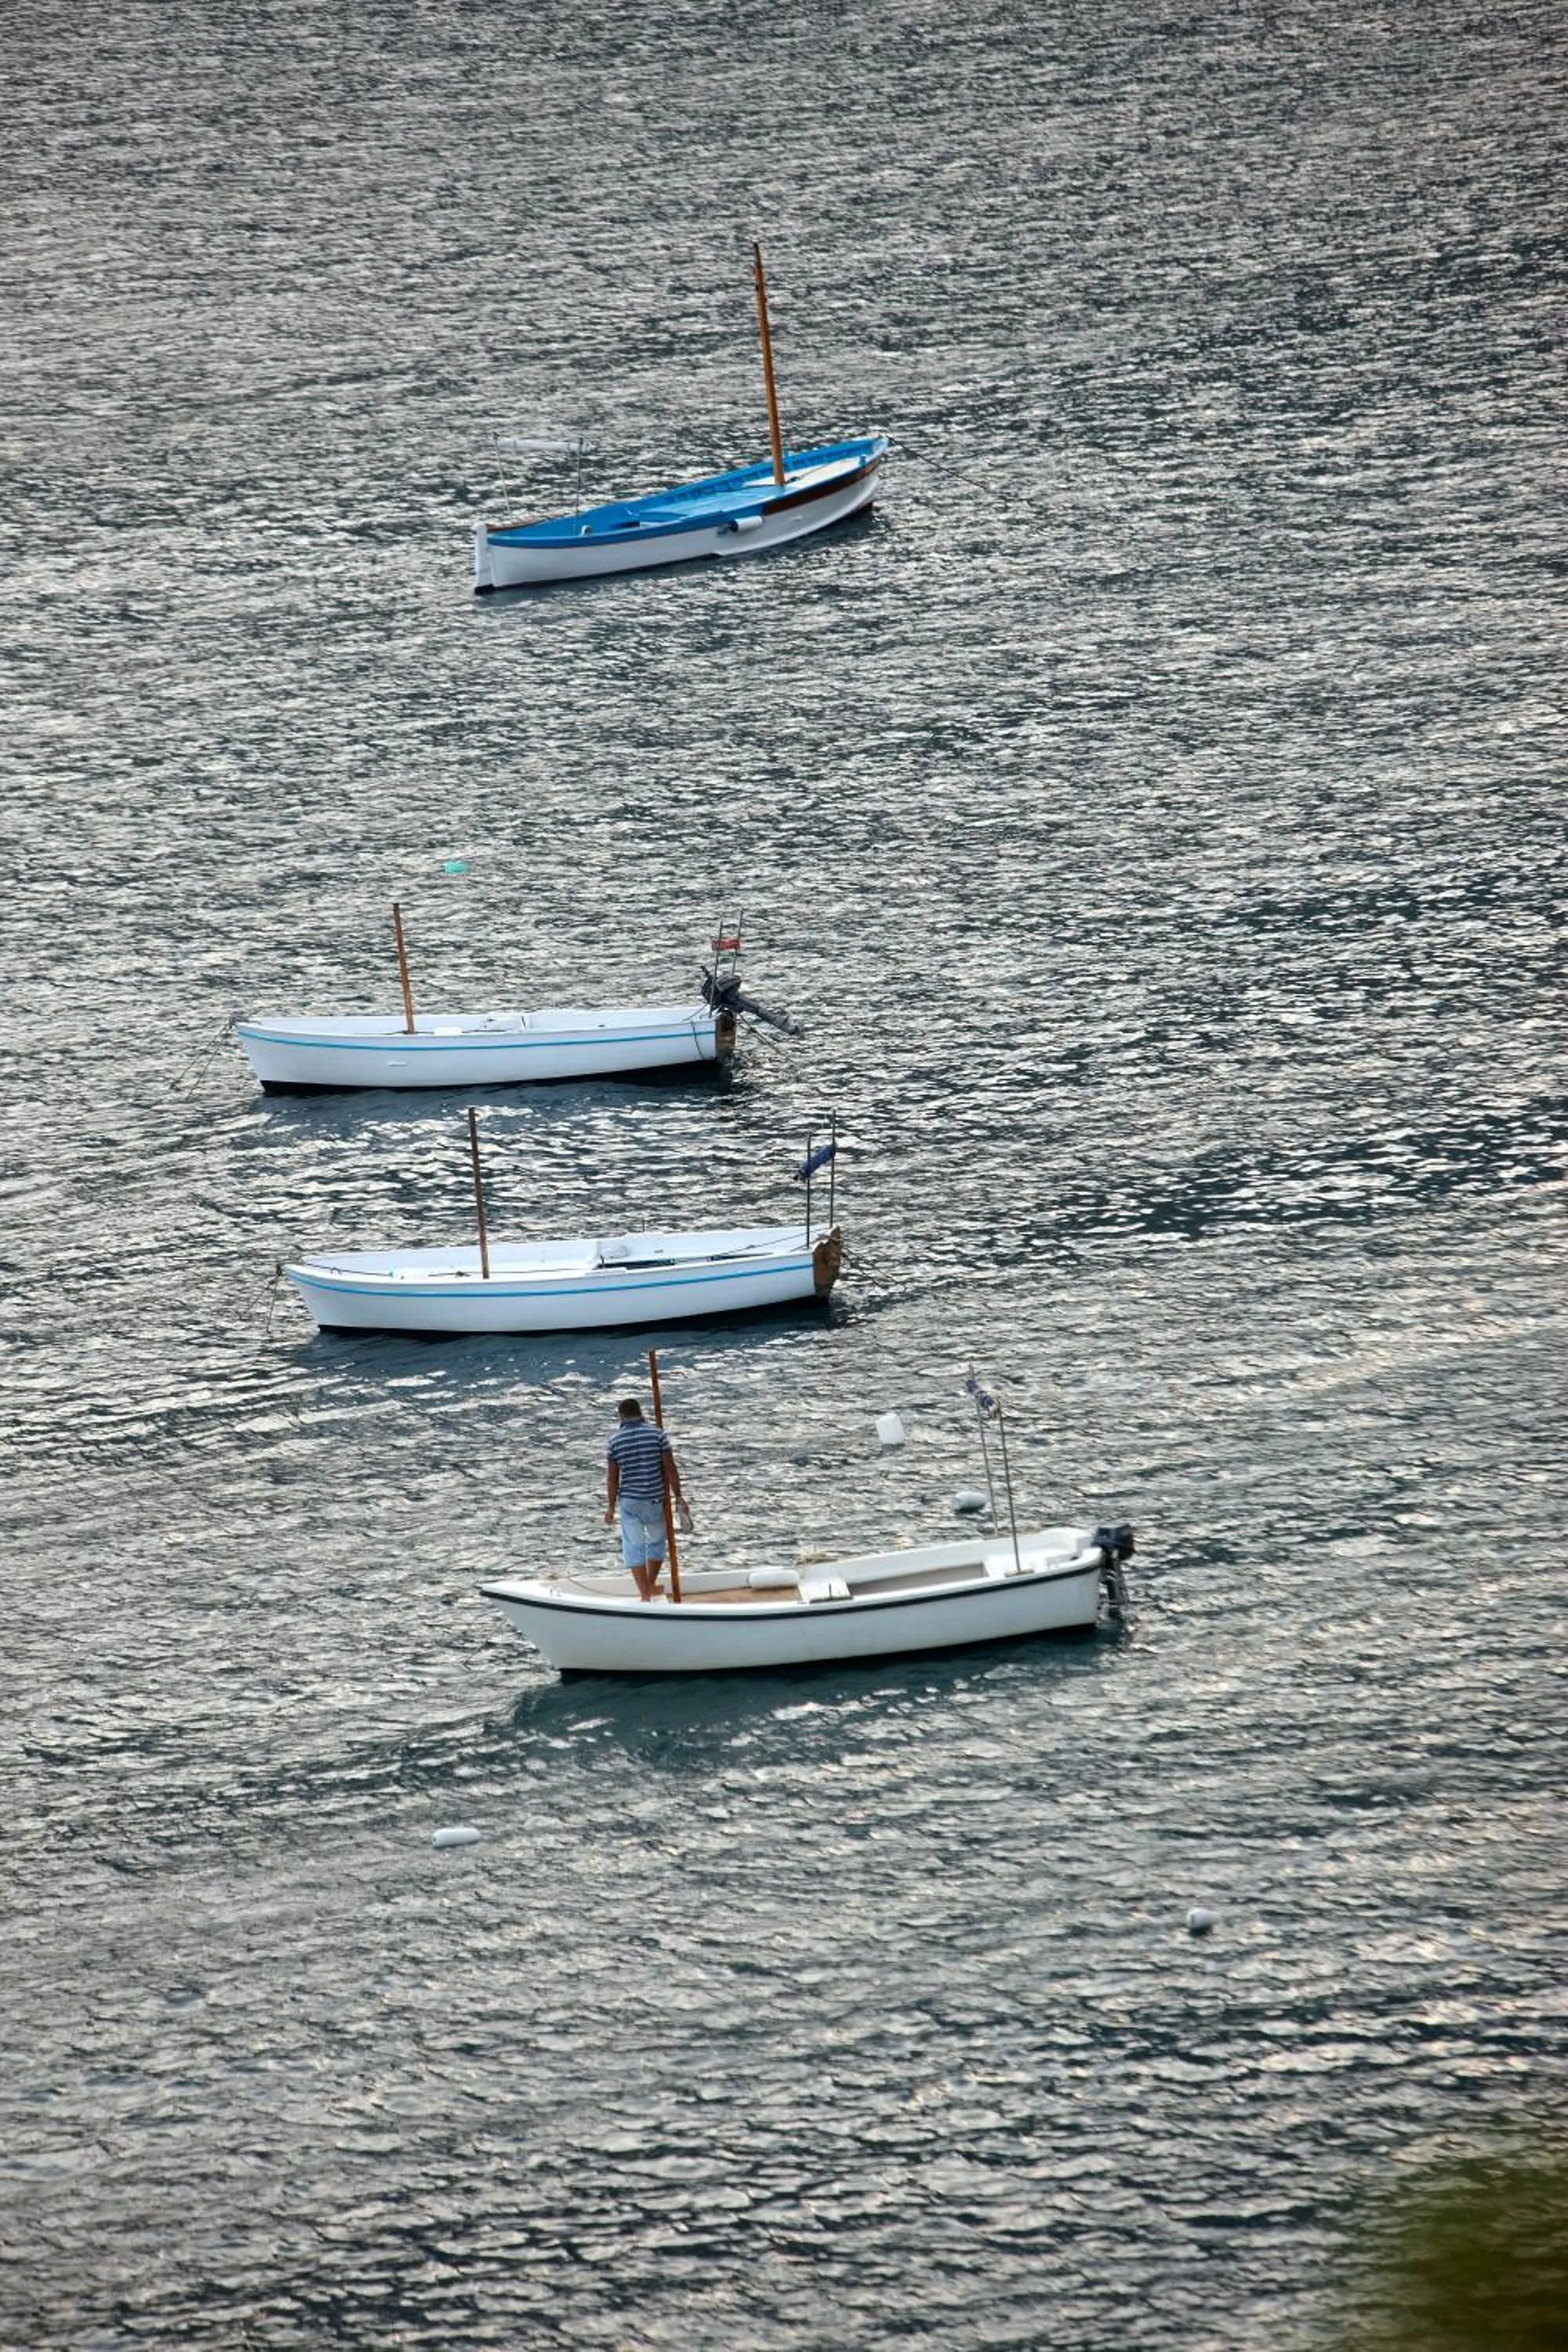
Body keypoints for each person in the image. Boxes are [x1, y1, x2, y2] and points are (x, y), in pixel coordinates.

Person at [604, 1397, 692, 1601]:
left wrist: (610, 1507)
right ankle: (650, 1584)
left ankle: (645, 1594)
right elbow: (671, 1469)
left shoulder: (614, 1441)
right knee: (657, 1542)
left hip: (630, 1502)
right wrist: (678, 1496)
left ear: (621, 1416)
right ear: (640, 1412)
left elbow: (612, 1479)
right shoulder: (657, 1435)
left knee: (633, 1546)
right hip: (655, 1499)